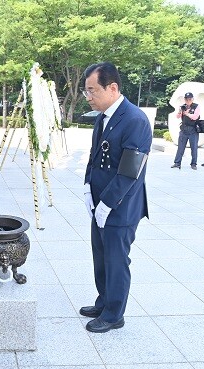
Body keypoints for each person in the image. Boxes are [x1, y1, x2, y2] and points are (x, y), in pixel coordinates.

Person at [82, 62, 152, 333]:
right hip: (99, 202)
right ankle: (104, 301)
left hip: (119, 206)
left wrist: (107, 204)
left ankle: (114, 314)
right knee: (100, 256)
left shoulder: (135, 120)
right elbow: (94, 157)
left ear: (112, 88)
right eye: (86, 91)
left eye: (92, 91)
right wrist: (88, 187)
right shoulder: (103, 116)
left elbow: (129, 172)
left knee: (116, 260)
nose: (88, 97)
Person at [171, 92, 201, 170]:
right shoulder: (182, 107)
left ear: (192, 99)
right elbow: (178, 117)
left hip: (193, 130)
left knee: (194, 148)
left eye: (190, 99)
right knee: (180, 147)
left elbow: (195, 117)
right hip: (184, 129)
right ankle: (177, 163)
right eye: (186, 99)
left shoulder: (196, 106)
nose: (188, 101)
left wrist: (187, 114)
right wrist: (180, 111)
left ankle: (193, 164)